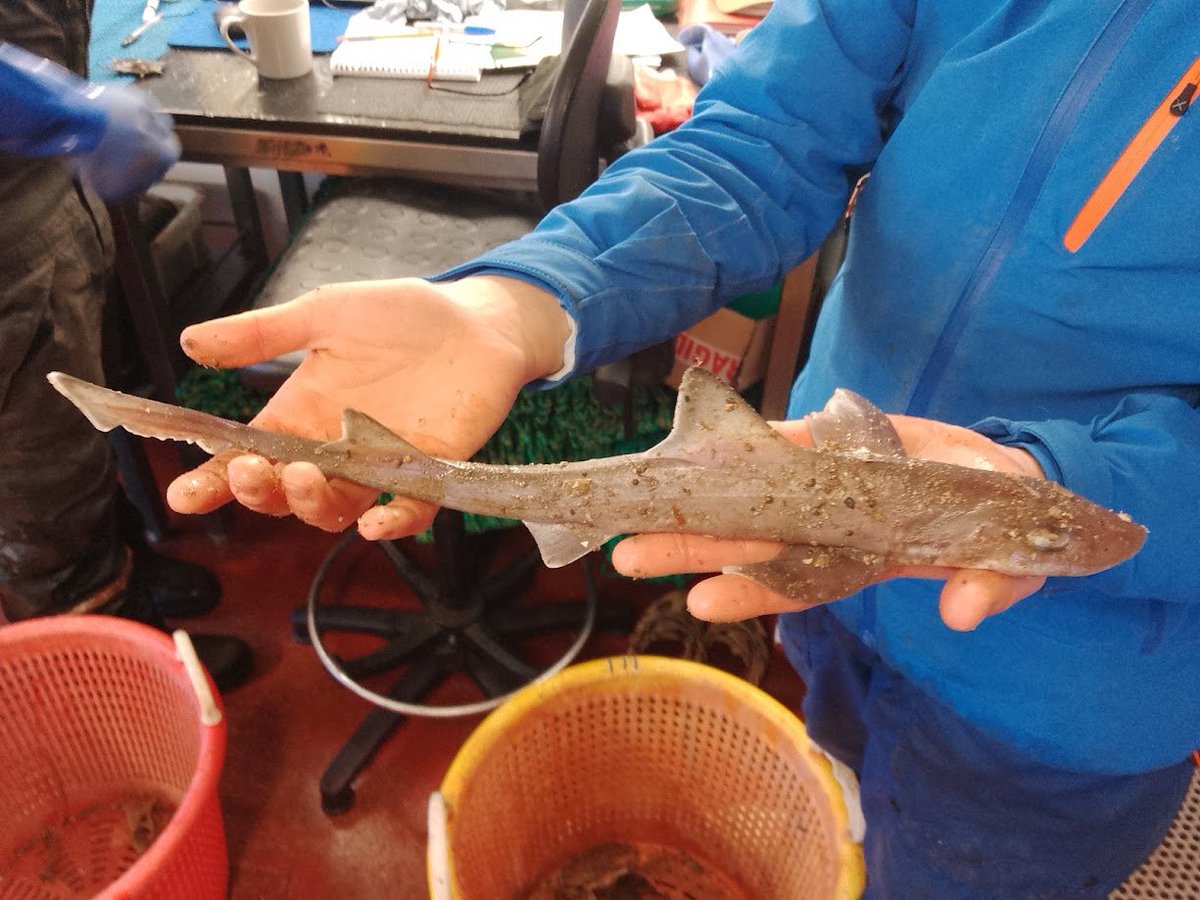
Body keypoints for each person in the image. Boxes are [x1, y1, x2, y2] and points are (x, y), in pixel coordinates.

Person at [166, 0, 1198, 894]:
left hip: (1087, 684)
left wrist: (1081, 477)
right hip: (813, 558)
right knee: (835, 787)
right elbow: (766, 138)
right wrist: (527, 298)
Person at [0, 15, 252, 691]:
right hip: (7, 251)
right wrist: (58, 109)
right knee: (43, 492)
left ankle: (122, 579)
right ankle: (114, 681)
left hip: (46, 194)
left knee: (84, 438)